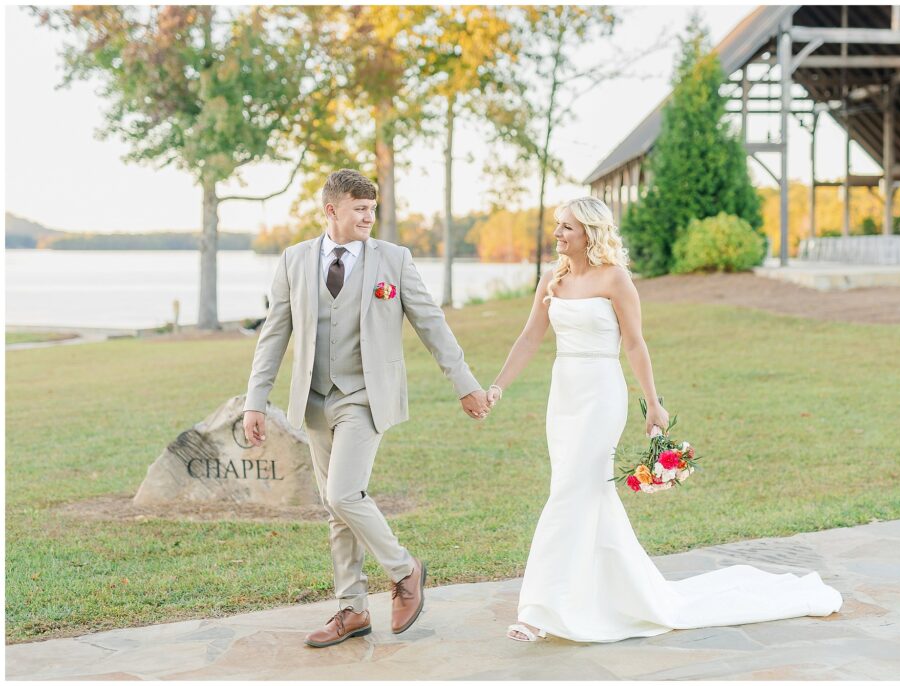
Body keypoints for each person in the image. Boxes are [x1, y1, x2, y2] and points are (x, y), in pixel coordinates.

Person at [485, 196, 843, 643]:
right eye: (558, 226)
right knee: (583, 492)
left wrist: (653, 404)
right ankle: (615, 593)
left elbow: (635, 344)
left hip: (601, 394)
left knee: (570, 492)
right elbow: (529, 337)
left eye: (567, 228)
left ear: (590, 234)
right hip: (564, 397)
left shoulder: (616, 279)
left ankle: (538, 611)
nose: (557, 234)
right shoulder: (552, 279)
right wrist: (497, 386)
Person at [242, 169, 490, 648]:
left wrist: (465, 384)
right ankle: (351, 610)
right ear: (331, 210)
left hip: (365, 397)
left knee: (344, 495)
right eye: (359, 209)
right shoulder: (295, 260)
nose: (369, 218)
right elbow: (273, 335)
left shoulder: (393, 260)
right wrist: (256, 400)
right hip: (315, 400)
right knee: (338, 510)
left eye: (372, 209)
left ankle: (405, 570)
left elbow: (431, 324)